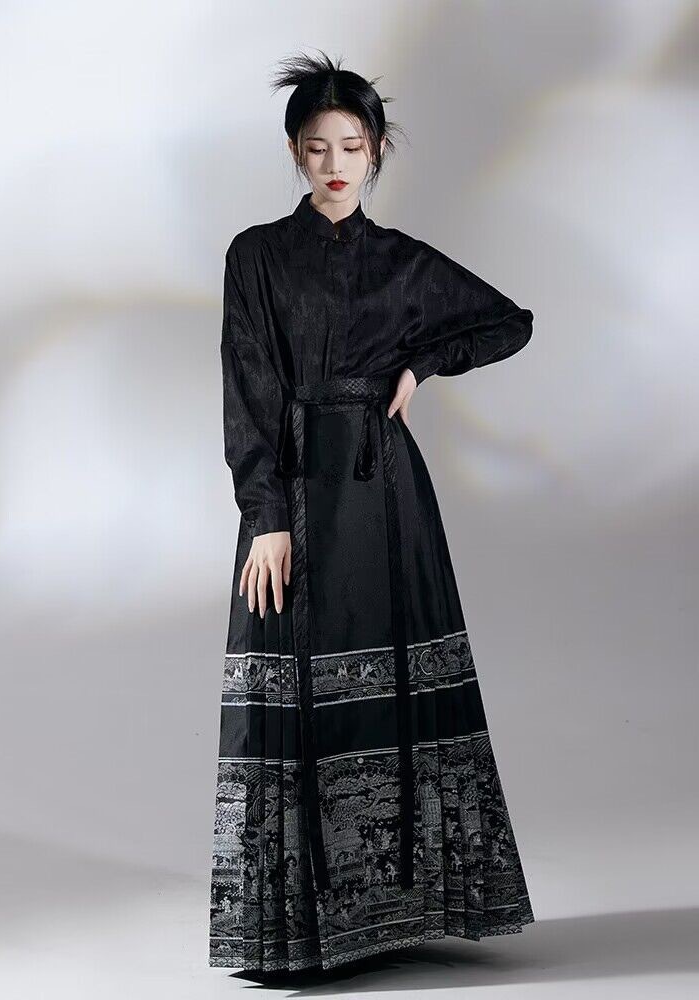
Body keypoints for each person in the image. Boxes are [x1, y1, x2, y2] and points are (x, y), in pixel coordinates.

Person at [208, 49, 535, 974]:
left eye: (353, 146)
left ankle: (397, 913)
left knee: (394, 680)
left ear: (378, 150)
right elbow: (248, 386)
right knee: (288, 690)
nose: (336, 164)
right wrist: (265, 514)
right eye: (318, 148)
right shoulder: (257, 256)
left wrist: (420, 365)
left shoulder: (402, 262)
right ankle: (294, 933)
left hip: (385, 493)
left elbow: (507, 321)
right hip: (295, 492)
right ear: (295, 153)